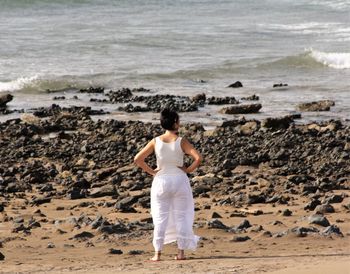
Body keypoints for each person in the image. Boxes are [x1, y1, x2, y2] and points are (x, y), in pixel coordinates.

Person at [134, 108, 202, 261]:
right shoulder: (181, 141)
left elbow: (138, 159)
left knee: (160, 217)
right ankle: (181, 253)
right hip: (179, 180)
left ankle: (157, 254)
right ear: (175, 123)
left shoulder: (155, 141)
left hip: (161, 181)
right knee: (182, 216)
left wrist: (152, 172)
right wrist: (187, 170)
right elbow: (198, 158)